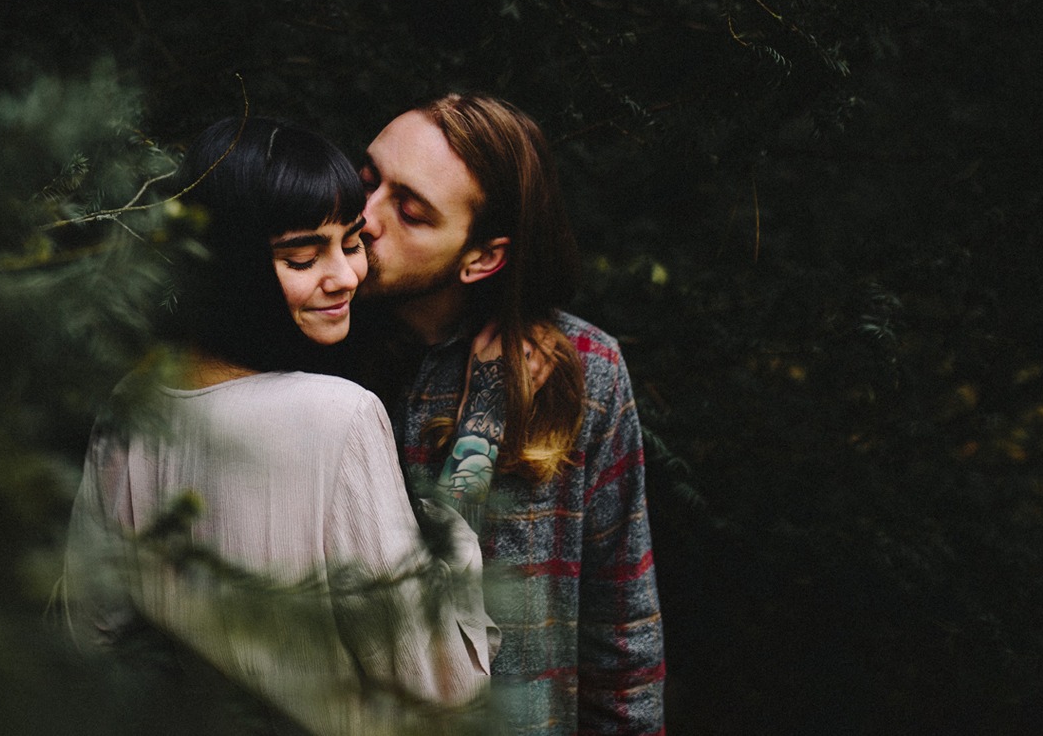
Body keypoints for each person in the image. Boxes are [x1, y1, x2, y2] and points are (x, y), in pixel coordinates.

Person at [66, 116, 497, 736]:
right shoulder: (338, 416)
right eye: (302, 257)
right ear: (233, 268)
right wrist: (449, 536)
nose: (346, 277)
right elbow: (436, 684)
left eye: (352, 242)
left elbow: (91, 635)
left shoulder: (131, 401)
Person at [356, 93, 665, 736]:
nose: (364, 217)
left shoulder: (583, 372)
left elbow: (621, 634)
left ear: (482, 258)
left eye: (409, 211)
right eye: (365, 180)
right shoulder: (304, 351)